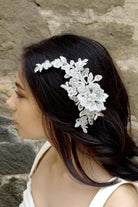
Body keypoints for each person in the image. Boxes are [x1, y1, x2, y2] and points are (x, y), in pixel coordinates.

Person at [6, 34, 138, 207]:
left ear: (59, 107)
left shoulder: (119, 202)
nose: (9, 102)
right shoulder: (48, 152)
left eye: (21, 94)